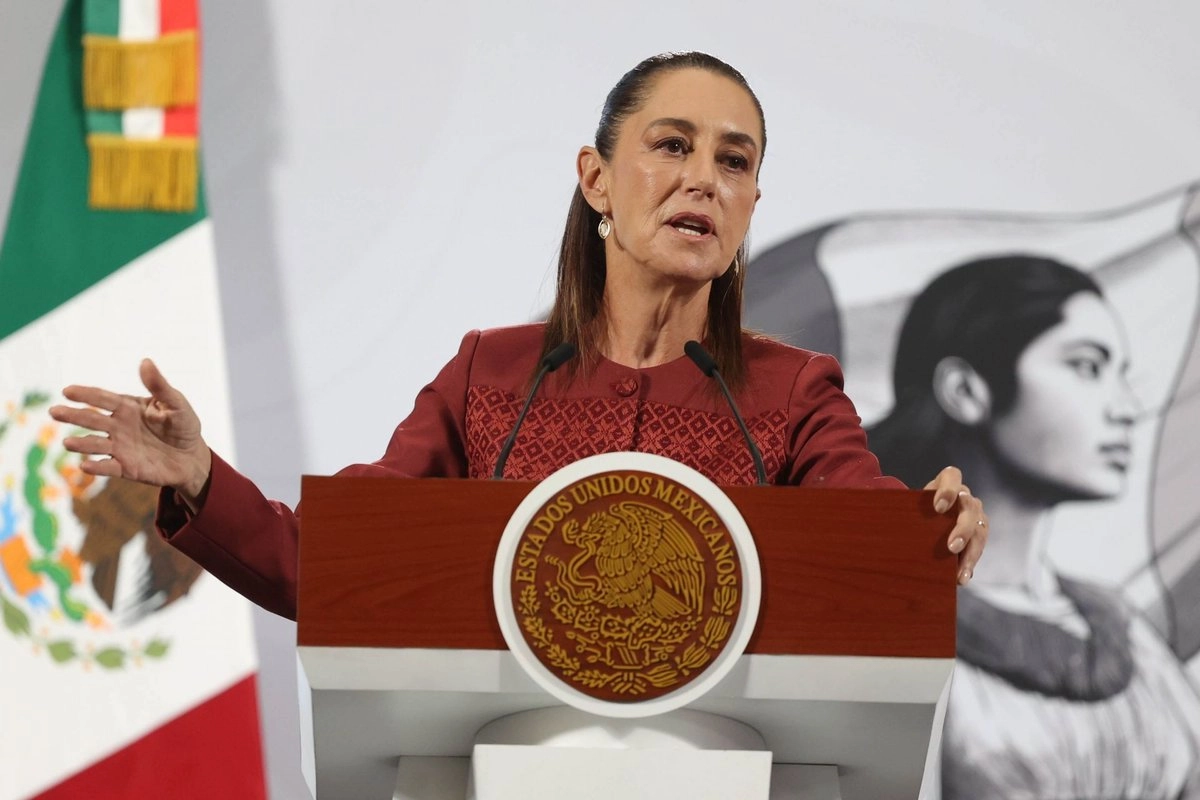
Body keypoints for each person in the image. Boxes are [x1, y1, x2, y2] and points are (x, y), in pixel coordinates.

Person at [47, 52, 986, 621]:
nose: (705, 177)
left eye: (734, 162)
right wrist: (202, 477)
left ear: (751, 205)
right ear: (597, 177)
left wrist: (931, 530)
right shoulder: (489, 376)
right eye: (672, 145)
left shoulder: (795, 394)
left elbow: (870, 572)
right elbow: (333, 566)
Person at [868, 255, 1200, 799]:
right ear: (966, 391)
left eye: (1122, 375)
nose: (1127, 407)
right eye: (1088, 367)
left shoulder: (1122, 629)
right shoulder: (888, 619)